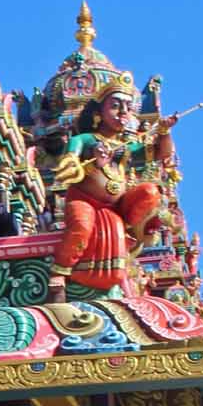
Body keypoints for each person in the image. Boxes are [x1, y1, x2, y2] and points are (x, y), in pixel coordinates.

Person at [50, 80, 163, 293]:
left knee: (150, 191)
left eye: (128, 108)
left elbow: (160, 154)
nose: (123, 112)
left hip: (117, 206)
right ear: (98, 113)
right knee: (82, 227)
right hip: (85, 201)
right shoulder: (84, 139)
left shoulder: (127, 146)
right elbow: (67, 168)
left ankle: (134, 232)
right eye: (115, 105)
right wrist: (94, 163)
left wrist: (164, 132)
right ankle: (60, 271)